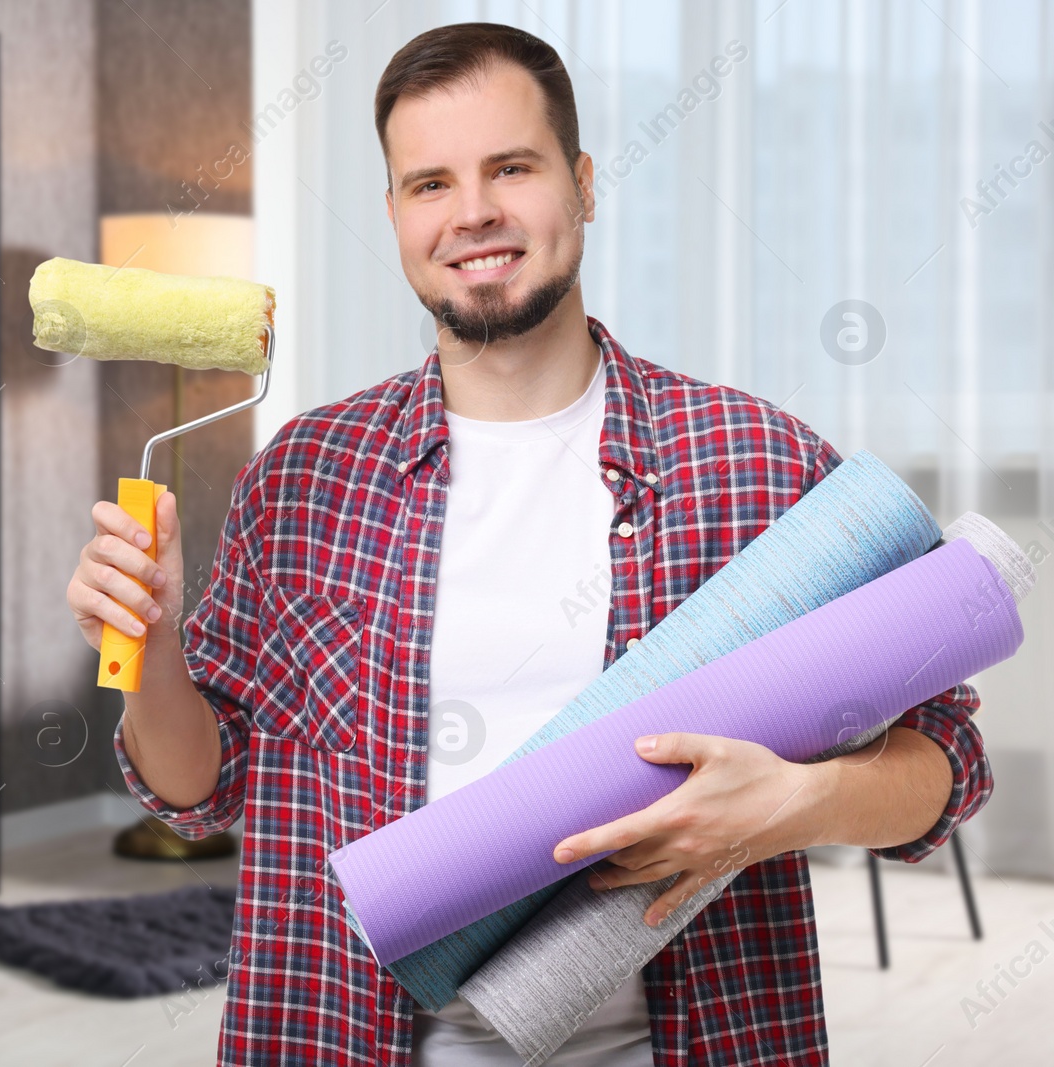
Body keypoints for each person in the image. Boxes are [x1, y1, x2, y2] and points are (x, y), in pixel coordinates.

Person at [65, 22, 989, 1067]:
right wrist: (148, 648)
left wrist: (792, 803)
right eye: (430, 183)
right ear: (394, 214)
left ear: (584, 183)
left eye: (511, 167)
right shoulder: (304, 474)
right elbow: (201, 787)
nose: (473, 214)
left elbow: (945, 758)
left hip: (688, 1035)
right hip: (350, 1032)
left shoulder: (757, 465)